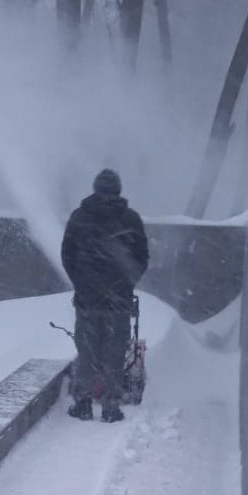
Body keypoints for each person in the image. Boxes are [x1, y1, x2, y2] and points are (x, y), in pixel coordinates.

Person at [60, 169, 149, 423]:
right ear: (118, 190)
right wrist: (125, 284)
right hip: (118, 301)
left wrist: (81, 282)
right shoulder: (130, 219)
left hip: (87, 300)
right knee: (114, 351)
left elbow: (67, 255)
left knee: (87, 350)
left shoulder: (80, 217)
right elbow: (141, 259)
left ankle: (84, 404)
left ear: (95, 187)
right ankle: (111, 406)